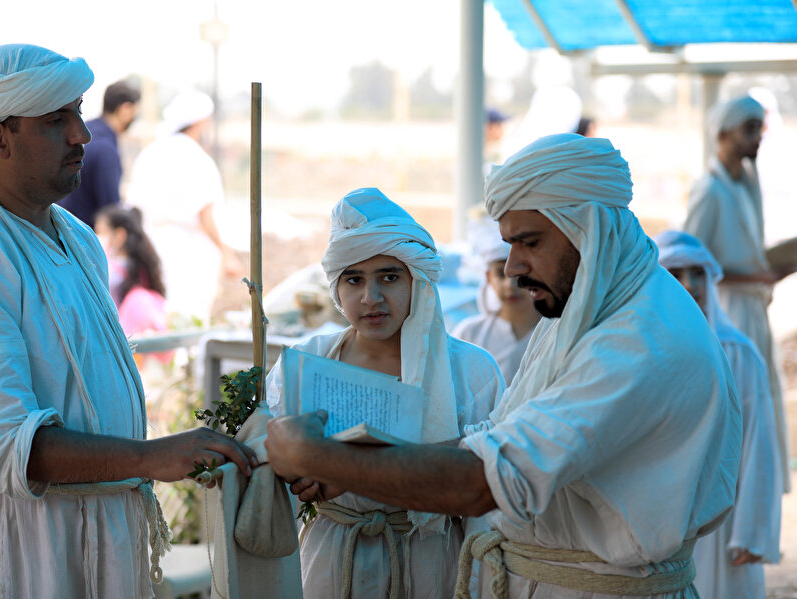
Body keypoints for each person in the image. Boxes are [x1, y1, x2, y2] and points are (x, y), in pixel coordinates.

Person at [266, 134, 741, 598]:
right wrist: (352, 471)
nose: (512, 267)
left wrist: (319, 457)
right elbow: (493, 438)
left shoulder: (638, 340)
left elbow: (484, 481)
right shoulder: (589, 307)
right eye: (509, 245)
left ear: (587, 229)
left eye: (529, 242)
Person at [0, 44, 256, 598]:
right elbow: (7, 447)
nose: (81, 135)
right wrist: (154, 457)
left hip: (90, 533)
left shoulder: (76, 237)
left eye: (78, 113)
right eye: (55, 120)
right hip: (8, 549)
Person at [266, 187, 504, 598]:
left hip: (432, 566)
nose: (370, 298)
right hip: (332, 561)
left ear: (418, 281)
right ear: (336, 289)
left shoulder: (471, 370)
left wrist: (346, 468)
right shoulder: (306, 364)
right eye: (354, 279)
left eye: (389, 278)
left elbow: (491, 483)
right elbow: (272, 460)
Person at [656, 230, 781, 599]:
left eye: (697, 274)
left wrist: (752, 532)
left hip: (723, 523)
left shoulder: (739, 353)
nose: (689, 285)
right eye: (676, 275)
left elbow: (758, 445)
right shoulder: (641, 353)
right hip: (660, 521)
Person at [683, 94, 791, 492]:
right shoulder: (709, 191)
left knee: (758, 410)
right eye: (749, 130)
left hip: (753, 310)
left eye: (758, 130)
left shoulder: (745, 185)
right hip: (728, 314)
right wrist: (754, 275)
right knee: (738, 410)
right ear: (724, 134)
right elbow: (687, 259)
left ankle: (754, 508)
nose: (756, 139)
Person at [126, 90, 241, 324]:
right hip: (188, 253)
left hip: (150, 244)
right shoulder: (196, 157)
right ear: (200, 121)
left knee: (157, 316)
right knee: (188, 317)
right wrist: (226, 252)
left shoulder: (151, 152)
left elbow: (133, 206)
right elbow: (205, 212)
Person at [452, 220, 540, 383]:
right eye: (501, 274)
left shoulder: (555, 331)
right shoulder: (469, 334)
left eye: (521, 274)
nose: (511, 285)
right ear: (488, 277)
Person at [94, 204, 172, 366]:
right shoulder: (141, 269)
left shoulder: (109, 271)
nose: (95, 237)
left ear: (119, 235)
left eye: (101, 233)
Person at [57, 79, 140, 228]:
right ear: (126, 109)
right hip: (83, 238)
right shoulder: (105, 149)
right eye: (135, 111)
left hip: (59, 230)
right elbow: (110, 210)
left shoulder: (84, 134)